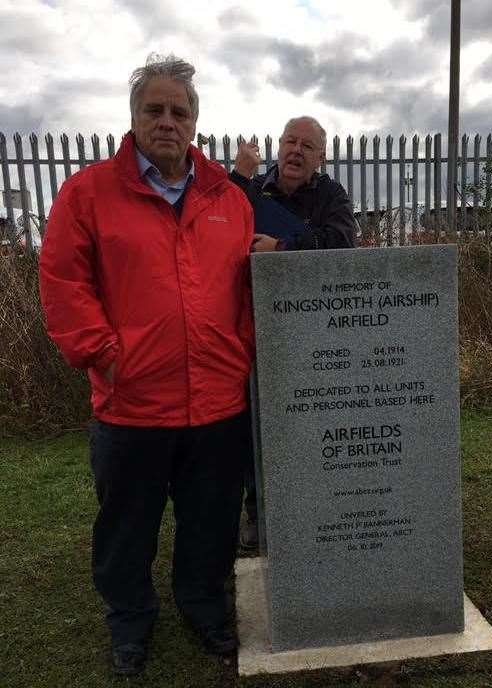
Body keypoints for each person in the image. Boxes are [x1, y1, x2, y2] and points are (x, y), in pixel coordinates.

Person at [39, 54, 254, 675]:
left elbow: (245, 285)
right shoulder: (87, 194)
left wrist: (242, 351)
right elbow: (63, 282)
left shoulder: (228, 198)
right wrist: (104, 357)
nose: (167, 120)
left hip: (217, 400)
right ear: (133, 118)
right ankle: (130, 620)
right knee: (126, 527)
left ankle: (203, 604)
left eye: (178, 110)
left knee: (210, 520)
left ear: (195, 121)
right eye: (153, 109)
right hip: (130, 400)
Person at [229, 116, 357, 549]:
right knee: (254, 427)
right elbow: (221, 223)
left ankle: (314, 511)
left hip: (312, 333)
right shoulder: (251, 189)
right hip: (254, 326)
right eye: (289, 141)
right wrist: (241, 173)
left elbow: (342, 242)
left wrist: (281, 249)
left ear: (321, 157)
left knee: (308, 426)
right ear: (278, 146)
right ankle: (257, 517)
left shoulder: (330, 195)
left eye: (307, 145)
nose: (296, 150)